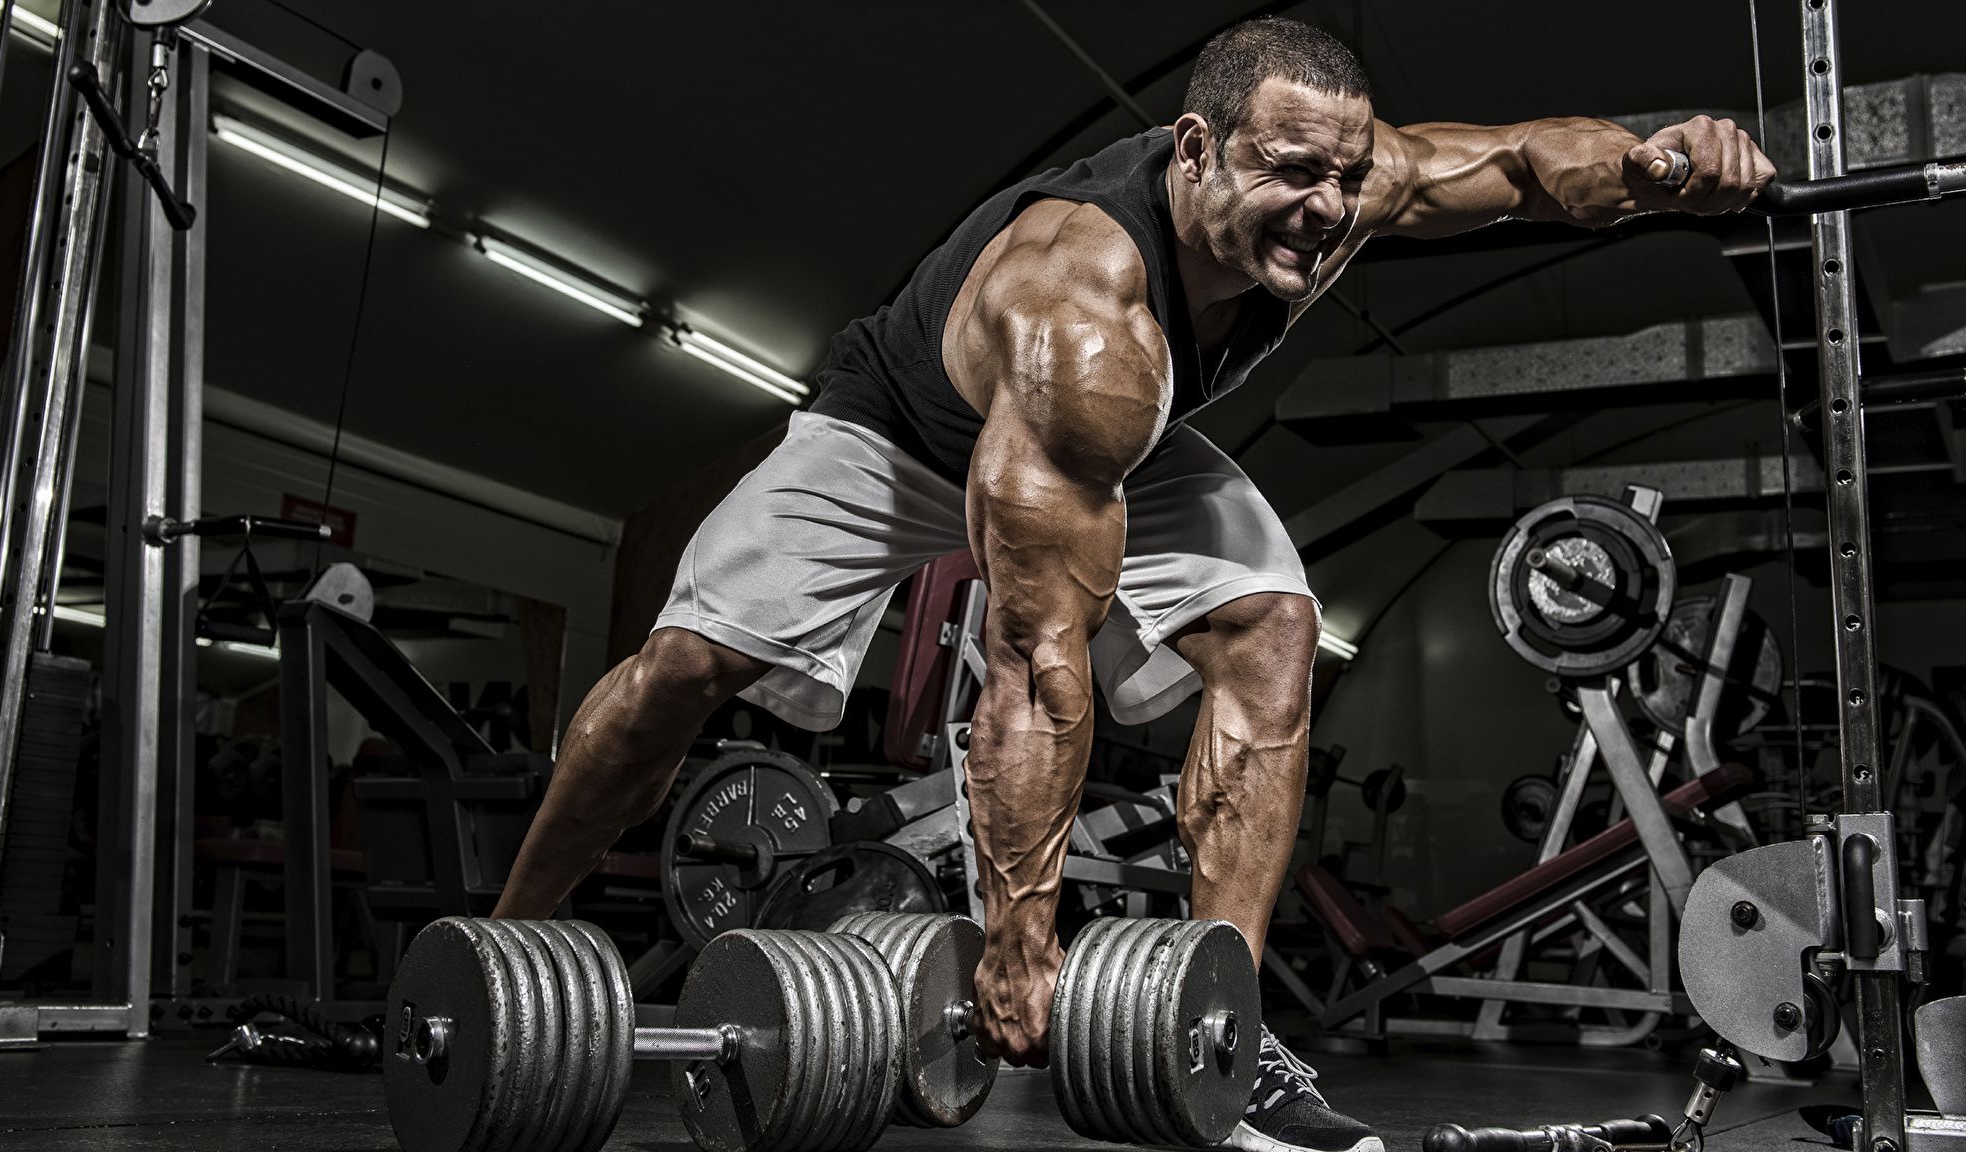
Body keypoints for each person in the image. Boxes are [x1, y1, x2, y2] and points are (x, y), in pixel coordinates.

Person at [494, 16, 1773, 1152]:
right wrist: (1017, 931)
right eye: (1286, 173)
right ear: (1193, 150)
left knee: (1273, 627)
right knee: (681, 668)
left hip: (1113, 445)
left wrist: (1665, 165)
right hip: (893, 435)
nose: (1324, 209)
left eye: (1340, 175)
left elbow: (1512, 168)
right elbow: (1037, 667)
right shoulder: (1082, 313)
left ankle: (1227, 1026)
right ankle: (508, 946)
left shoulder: (1341, 183)